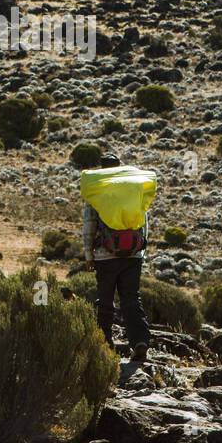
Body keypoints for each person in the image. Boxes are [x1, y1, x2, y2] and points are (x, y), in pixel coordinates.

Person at [82, 153, 152, 361]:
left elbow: (89, 226)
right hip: (133, 255)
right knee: (131, 298)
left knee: (105, 301)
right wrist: (140, 251)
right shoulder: (133, 188)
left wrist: (88, 255)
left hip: (105, 256)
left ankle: (104, 345)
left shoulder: (96, 190)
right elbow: (144, 222)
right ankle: (140, 342)